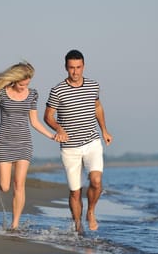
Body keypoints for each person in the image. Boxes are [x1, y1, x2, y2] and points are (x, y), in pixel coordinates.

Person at [0, 62, 56, 230]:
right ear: (14, 80)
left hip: (24, 144)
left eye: (27, 84)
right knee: (5, 187)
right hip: (3, 143)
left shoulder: (33, 94)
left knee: (19, 184)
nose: (24, 87)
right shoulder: (0, 92)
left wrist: (51, 135)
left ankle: (14, 225)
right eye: (21, 84)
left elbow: (34, 122)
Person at [44, 50, 113, 233]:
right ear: (66, 67)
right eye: (71, 68)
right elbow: (48, 116)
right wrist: (58, 128)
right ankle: (78, 226)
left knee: (96, 181)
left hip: (92, 142)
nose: (75, 72)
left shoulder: (93, 86)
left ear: (84, 66)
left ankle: (91, 211)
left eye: (78, 67)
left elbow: (97, 107)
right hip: (69, 148)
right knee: (75, 191)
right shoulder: (57, 90)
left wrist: (104, 130)